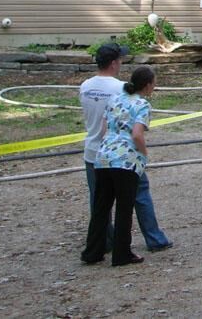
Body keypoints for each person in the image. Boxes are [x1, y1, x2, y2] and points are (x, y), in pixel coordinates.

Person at [79, 43, 172, 253]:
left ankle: (103, 243)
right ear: (114, 63)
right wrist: (143, 152)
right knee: (139, 195)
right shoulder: (120, 89)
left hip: (95, 151)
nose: (121, 63)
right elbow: (132, 125)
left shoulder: (85, 86)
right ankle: (153, 238)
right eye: (120, 60)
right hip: (123, 154)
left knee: (100, 201)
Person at [81, 66, 157, 266]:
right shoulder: (142, 105)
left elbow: (105, 128)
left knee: (101, 207)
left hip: (103, 156)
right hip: (125, 160)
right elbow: (137, 134)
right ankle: (122, 253)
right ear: (148, 85)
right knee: (124, 207)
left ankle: (92, 251)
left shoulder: (114, 100)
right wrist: (144, 153)